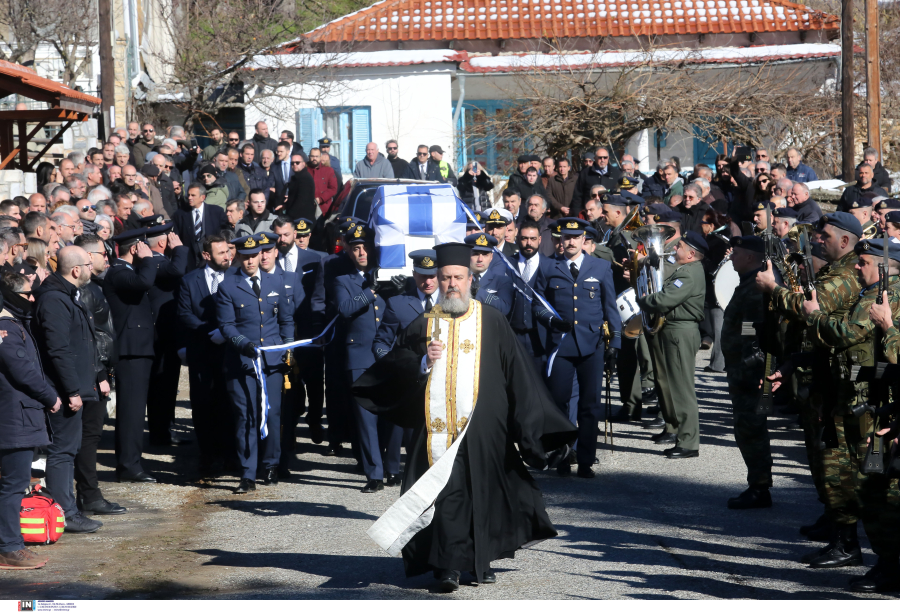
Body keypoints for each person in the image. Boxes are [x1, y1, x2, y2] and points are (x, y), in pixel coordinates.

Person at [351, 241, 576, 592]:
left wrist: (536, 429)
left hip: (485, 429)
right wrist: (423, 361)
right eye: (445, 278)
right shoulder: (422, 324)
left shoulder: (493, 321)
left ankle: (479, 560)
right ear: (436, 280)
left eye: (458, 277)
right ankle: (448, 567)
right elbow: (394, 368)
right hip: (437, 432)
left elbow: (520, 376)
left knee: (484, 495)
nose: (451, 284)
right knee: (447, 496)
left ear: (471, 279)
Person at [755, 212, 862, 552]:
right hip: (819, 372)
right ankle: (834, 520)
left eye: (824, 235)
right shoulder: (835, 269)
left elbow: (810, 309)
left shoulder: (847, 273)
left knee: (834, 459)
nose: (817, 239)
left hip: (840, 382)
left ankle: (846, 539)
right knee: (820, 454)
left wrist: (774, 289)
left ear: (845, 241)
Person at [795, 237, 900, 584]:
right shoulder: (873, 294)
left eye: (863, 262)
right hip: (867, 402)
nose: (856, 267)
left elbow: (849, 334)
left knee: (876, 486)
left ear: (884, 267)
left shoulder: (888, 295)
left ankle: (887, 563)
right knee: (867, 482)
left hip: (879, 410)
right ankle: (879, 560)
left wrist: (813, 316)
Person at [533, 217, 622, 476]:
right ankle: (562, 455)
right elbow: (537, 303)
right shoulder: (548, 267)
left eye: (575, 237)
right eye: (566, 237)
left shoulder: (601, 267)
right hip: (561, 347)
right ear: (560, 240)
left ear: (585, 240)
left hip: (591, 346)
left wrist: (614, 343)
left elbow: (610, 308)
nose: (570, 241)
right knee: (559, 402)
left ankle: (585, 459)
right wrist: (550, 320)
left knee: (589, 404)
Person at [32, 246, 107, 533]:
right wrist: (73, 391)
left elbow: (82, 343)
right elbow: (58, 350)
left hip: (72, 387)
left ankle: (68, 508)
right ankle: (67, 512)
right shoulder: (54, 300)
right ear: (76, 270)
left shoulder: (65, 295)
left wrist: (98, 374)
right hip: (62, 391)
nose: (93, 267)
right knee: (62, 452)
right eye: (89, 263)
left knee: (68, 449)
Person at [217, 233, 293, 493]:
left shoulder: (276, 281)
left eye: (254, 256)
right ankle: (247, 474)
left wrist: (289, 346)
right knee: (246, 416)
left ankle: (271, 464)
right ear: (238, 256)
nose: (250, 261)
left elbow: (285, 319)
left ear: (262, 254)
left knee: (271, 414)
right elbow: (226, 325)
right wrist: (243, 343)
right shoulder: (228, 285)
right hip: (242, 362)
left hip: (271, 360)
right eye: (245, 257)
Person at [332, 224, 403, 491]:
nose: (361, 252)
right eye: (355, 248)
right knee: (365, 417)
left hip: (390, 353)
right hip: (360, 353)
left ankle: (393, 468)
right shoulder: (342, 280)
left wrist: (399, 288)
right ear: (348, 251)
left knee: (393, 415)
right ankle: (373, 473)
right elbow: (345, 308)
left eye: (365, 247)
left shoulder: (391, 275)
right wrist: (371, 290)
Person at [0, 271, 62, 570]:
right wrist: (50, 396)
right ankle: (9, 548)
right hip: (14, 419)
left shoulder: (12, 325)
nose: (33, 298)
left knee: (13, 484)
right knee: (14, 485)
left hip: (16, 416)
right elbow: (23, 371)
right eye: (27, 294)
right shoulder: (6, 329)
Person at [637, 230, 707, 459]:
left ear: (691, 254)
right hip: (675, 329)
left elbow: (665, 299)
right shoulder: (686, 270)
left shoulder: (687, 274)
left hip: (680, 331)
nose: (675, 248)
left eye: (680, 247)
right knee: (674, 384)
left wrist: (641, 300)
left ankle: (688, 441)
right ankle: (681, 435)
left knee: (681, 388)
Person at [70, 234, 125, 516]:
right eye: (103, 254)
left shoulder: (95, 287)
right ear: (88, 257)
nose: (107, 258)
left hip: (99, 370)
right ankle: (89, 496)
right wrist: (101, 372)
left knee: (90, 435)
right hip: (93, 374)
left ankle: (88, 494)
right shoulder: (86, 292)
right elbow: (90, 338)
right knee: (89, 437)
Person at [720, 235, 773, 509]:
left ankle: (760, 487)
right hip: (742, 368)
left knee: (751, 428)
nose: (731, 257)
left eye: (736, 253)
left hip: (750, 371)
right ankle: (758, 484)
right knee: (747, 427)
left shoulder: (755, 287)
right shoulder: (749, 282)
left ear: (751, 257)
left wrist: (751, 365)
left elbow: (754, 328)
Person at [103, 228, 159, 483]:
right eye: (143, 247)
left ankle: (132, 462)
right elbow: (144, 282)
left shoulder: (126, 271)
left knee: (135, 410)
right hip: (130, 349)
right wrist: (147, 259)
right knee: (131, 411)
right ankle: (128, 466)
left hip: (139, 348)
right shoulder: (119, 272)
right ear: (135, 248)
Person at [177, 234, 234, 474]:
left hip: (230, 350)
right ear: (206, 255)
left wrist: (226, 332)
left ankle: (229, 454)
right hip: (202, 350)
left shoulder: (236, 277)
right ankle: (207, 454)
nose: (227, 256)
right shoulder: (190, 280)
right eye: (221, 253)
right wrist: (209, 331)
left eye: (228, 251)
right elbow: (184, 312)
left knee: (229, 403)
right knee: (202, 404)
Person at [272, 216, 326, 456]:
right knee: (288, 383)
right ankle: (289, 429)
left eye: (286, 235)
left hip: (308, 330)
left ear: (295, 234)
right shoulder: (270, 258)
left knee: (314, 380)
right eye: (278, 236)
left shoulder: (316, 259)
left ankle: (314, 418)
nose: (282, 240)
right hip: (281, 330)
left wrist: (318, 327)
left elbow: (321, 294)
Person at [143, 218, 189, 447]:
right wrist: (180, 248)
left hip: (167, 333)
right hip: (160, 334)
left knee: (167, 384)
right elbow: (178, 269)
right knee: (161, 385)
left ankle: (164, 429)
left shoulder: (158, 261)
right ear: (163, 244)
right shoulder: (154, 262)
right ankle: (159, 434)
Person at [510, 219, 550, 371]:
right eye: (524, 238)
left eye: (533, 239)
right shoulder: (507, 264)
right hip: (513, 337)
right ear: (517, 239)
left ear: (539, 240)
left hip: (540, 339)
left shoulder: (550, 265)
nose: (528, 243)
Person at [173, 183, 229, 270]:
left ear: (203, 197)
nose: (189, 198)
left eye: (193, 195)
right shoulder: (180, 214)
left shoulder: (217, 212)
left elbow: (224, 232)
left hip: (211, 259)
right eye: (188, 195)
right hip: (189, 261)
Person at [464, 232, 515, 317]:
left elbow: (504, 309)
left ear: (491, 257)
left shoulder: (502, 281)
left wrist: (476, 290)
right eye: (475, 254)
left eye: (485, 254)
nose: (480, 259)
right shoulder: (458, 279)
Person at [306, 148, 338, 215]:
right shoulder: (304, 170)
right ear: (309, 157)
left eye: (317, 156)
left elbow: (333, 188)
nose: (314, 158)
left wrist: (321, 199)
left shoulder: (328, 170)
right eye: (312, 156)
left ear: (320, 157)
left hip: (324, 209)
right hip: (307, 207)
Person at [285, 155, 317, 220]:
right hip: (296, 216)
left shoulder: (305, 178)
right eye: (292, 163)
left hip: (302, 218)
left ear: (303, 164)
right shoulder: (296, 177)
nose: (294, 165)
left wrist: (289, 215)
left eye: (297, 162)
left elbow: (302, 200)